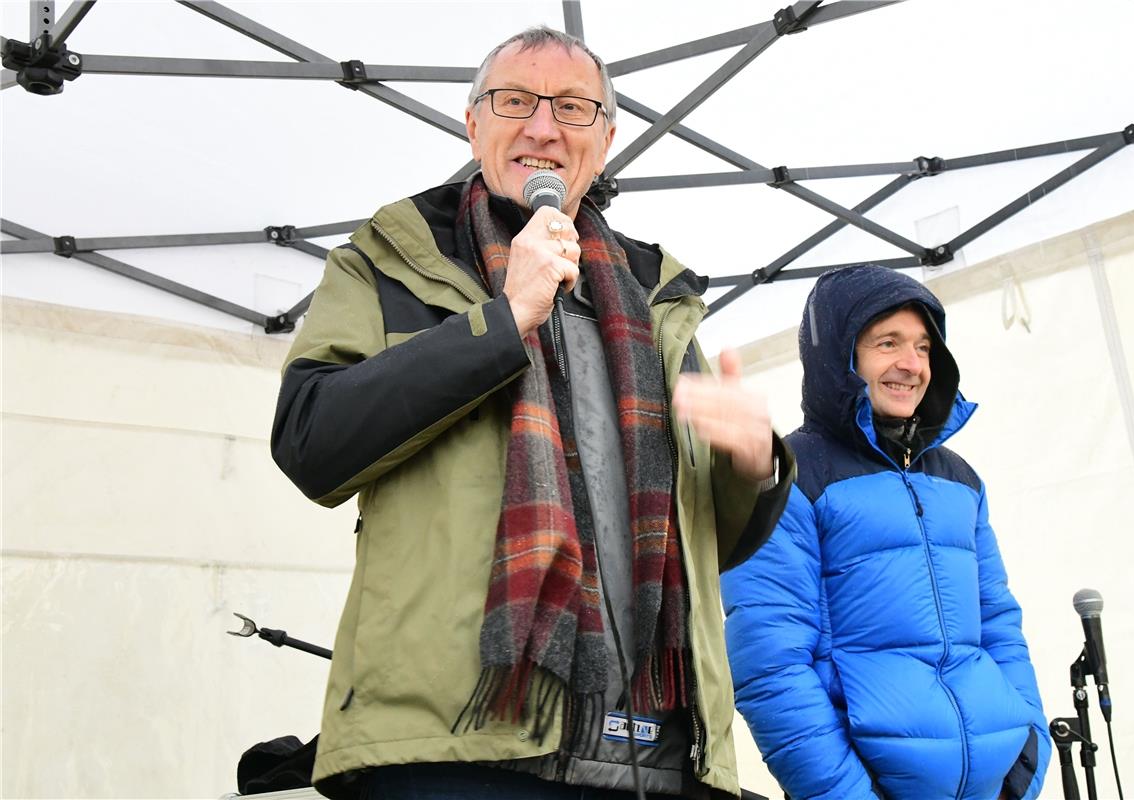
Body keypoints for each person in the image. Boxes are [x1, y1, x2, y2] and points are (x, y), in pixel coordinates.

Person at [270, 26, 793, 800]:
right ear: (473, 122)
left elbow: (712, 540)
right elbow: (311, 441)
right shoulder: (389, 259)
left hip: (654, 748)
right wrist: (503, 318)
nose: (543, 127)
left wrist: (753, 465)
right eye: (515, 100)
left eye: (574, 109)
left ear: (606, 141)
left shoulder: (659, 295)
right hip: (457, 751)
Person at [720, 264, 1050, 800]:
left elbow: (1000, 628)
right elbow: (771, 664)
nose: (911, 364)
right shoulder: (789, 477)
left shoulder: (961, 482)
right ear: (839, 359)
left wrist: (1026, 760)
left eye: (923, 346)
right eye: (887, 343)